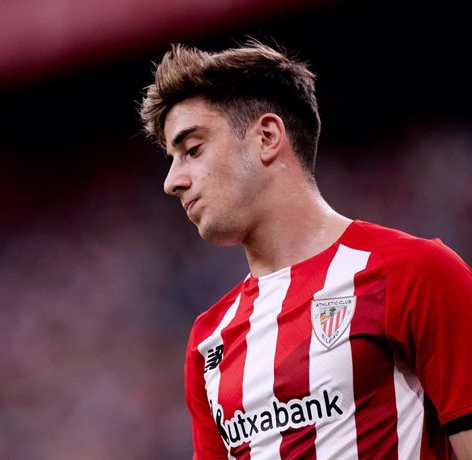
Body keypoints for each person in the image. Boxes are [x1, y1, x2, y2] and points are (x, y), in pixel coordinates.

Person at [138, 38, 472, 459]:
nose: (172, 181)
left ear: (266, 137)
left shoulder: (416, 273)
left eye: (192, 149)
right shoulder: (209, 341)